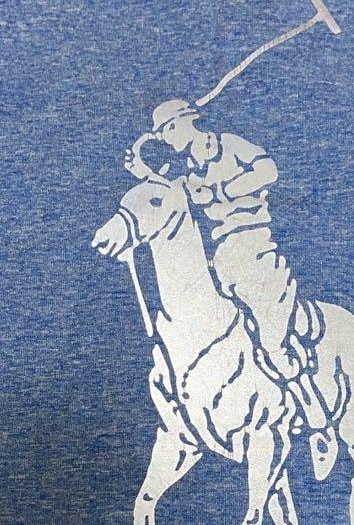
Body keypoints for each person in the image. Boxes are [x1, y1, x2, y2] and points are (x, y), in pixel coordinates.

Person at [125, 98, 339, 477]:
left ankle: (318, 421)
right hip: (220, 262)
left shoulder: (229, 146)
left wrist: (221, 190)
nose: (167, 139)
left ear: (188, 122)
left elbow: (268, 170)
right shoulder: (187, 174)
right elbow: (169, 196)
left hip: (257, 254)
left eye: (169, 130)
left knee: (274, 344)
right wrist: (145, 172)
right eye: (161, 135)